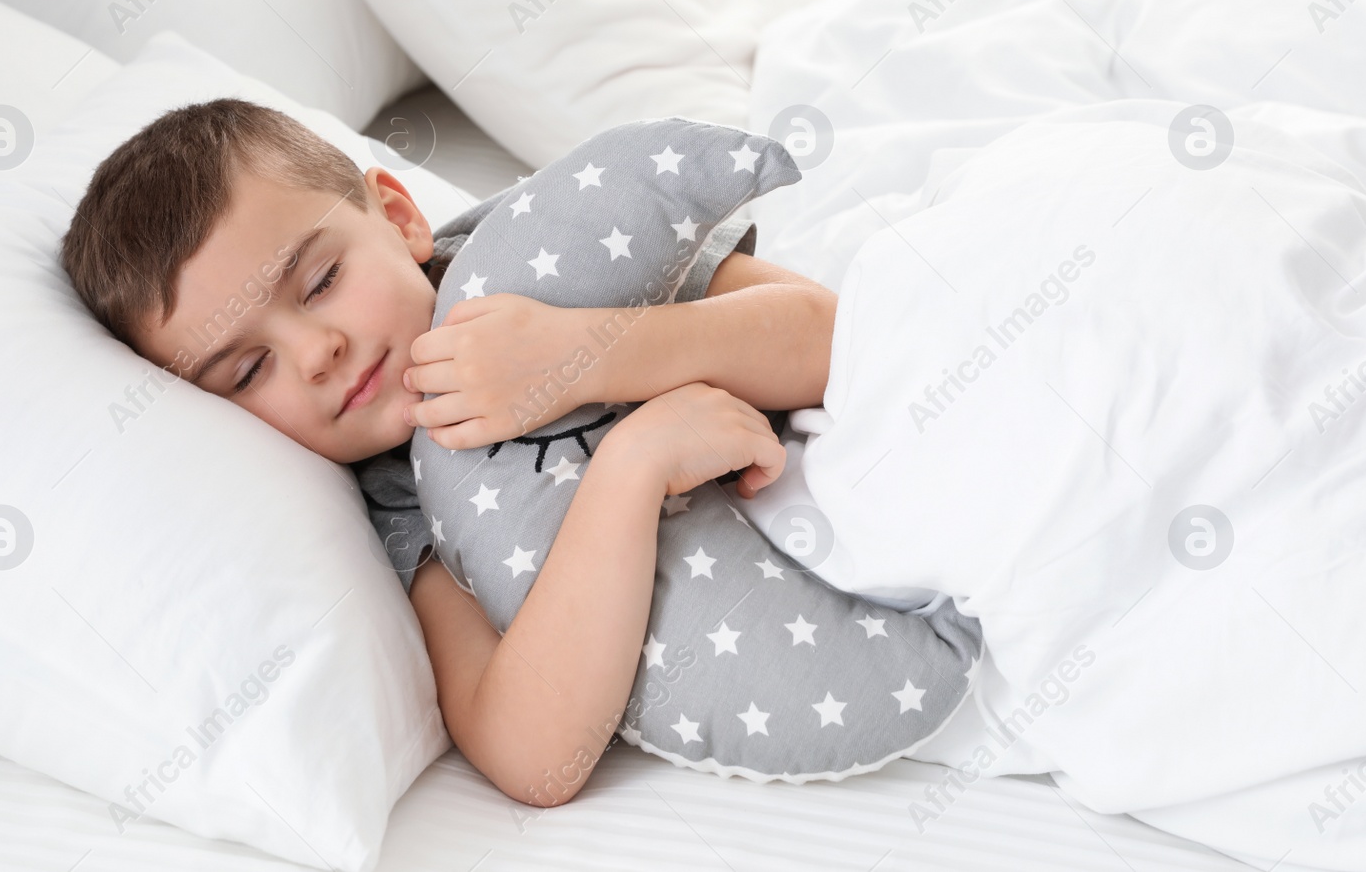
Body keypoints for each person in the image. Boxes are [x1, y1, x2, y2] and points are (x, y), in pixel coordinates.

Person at [60, 98, 835, 807]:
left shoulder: (540, 257)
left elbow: (836, 337)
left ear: (398, 218)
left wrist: (588, 354)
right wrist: (632, 468)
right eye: (249, 369)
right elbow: (532, 754)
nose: (317, 351)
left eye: (322, 279)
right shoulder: (398, 500)